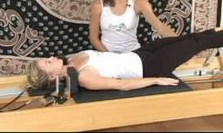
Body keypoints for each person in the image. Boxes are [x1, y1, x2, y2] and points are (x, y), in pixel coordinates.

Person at [26, 27, 223, 91]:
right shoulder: (84, 77)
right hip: (151, 67)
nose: (51, 57)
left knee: (187, 38)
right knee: (196, 44)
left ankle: (217, 30)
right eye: (48, 62)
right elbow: (122, 85)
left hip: (139, 54)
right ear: (52, 77)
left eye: (47, 58)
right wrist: (155, 79)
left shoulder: (71, 60)